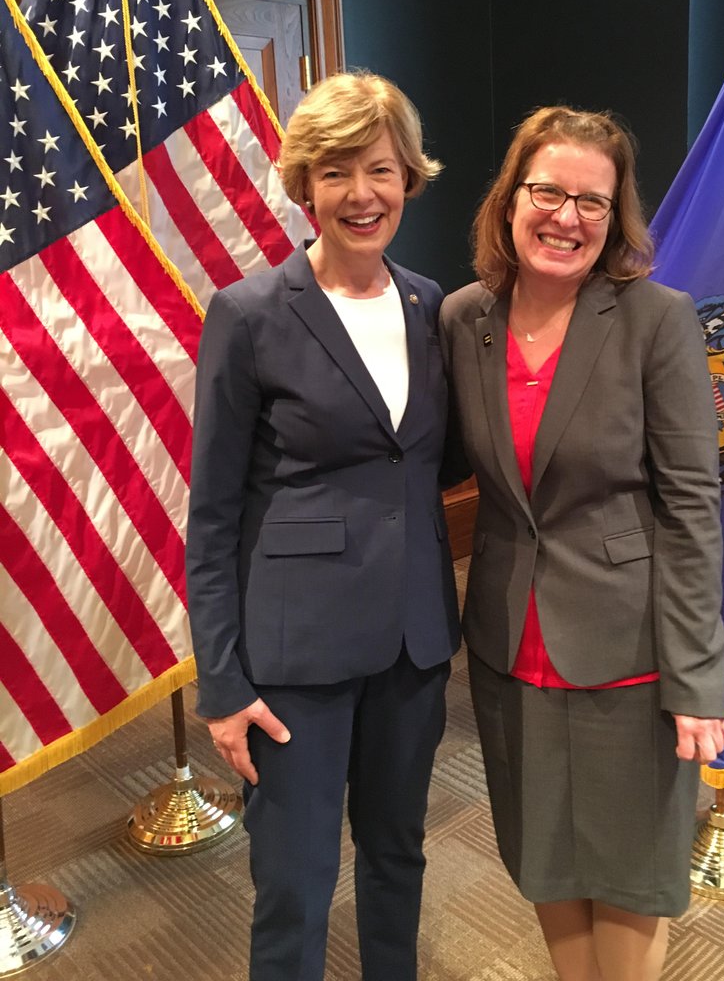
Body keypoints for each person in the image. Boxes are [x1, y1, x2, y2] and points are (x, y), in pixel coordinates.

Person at [440, 106, 724, 981]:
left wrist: (695, 678)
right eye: (548, 192)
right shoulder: (464, 319)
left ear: (615, 218)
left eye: (592, 203)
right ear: (509, 199)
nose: (567, 217)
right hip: (506, 645)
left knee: (631, 876)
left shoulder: (655, 319)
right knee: (546, 860)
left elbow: (691, 508)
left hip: (630, 650)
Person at [185, 71, 460, 981]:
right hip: (292, 659)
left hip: (413, 645)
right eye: (335, 172)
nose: (360, 194)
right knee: (296, 885)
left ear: (409, 179)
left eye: (380, 170)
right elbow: (214, 515)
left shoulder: (433, 307)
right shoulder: (250, 314)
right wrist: (221, 683)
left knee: (398, 857)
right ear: (304, 185)